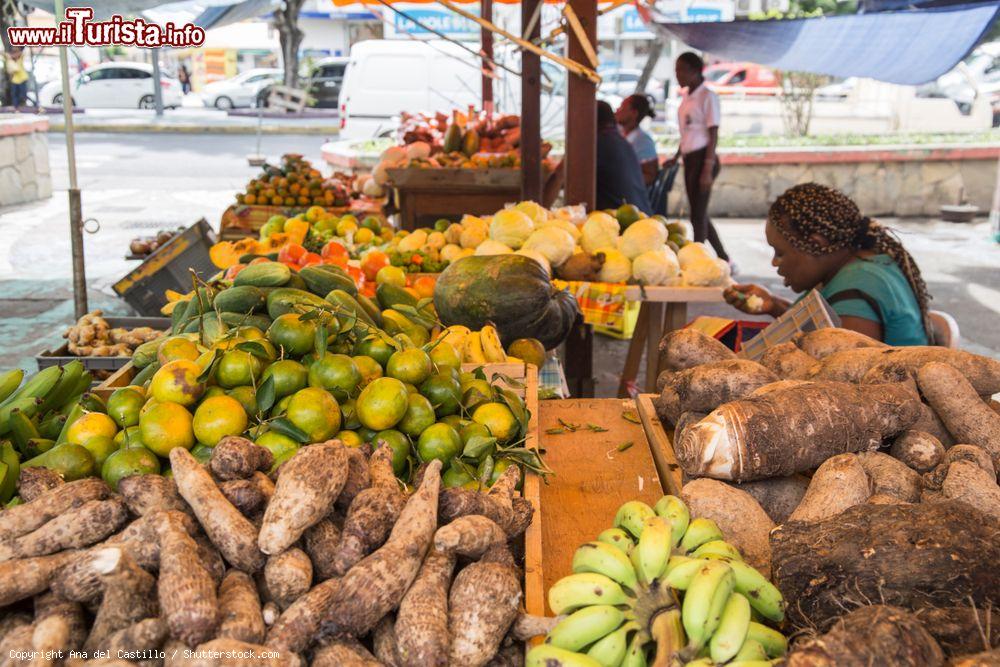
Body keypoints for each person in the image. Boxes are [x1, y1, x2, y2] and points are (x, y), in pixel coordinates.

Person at [724, 183, 931, 346]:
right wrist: (774, 305)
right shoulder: (860, 264)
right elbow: (823, 323)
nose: (774, 262)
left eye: (780, 252)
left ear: (816, 244)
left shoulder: (856, 293)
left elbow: (842, 385)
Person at [664, 51, 728, 261]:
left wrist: (707, 168)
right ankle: (723, 258)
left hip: (704, 159)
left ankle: (697, 258)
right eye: (676, 71)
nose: (678, 75)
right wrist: (676, 155)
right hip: (690, 157)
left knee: (697, 215)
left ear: (695, 71)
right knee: (699, 212)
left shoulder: (707, 96)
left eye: (681, 70)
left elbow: (712, 131)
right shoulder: (688, 96)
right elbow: (688, 132)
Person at [595, 100, 652, 213]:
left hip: (629, 220)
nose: (617, 111)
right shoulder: (619, 140)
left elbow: (651, 173)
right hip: (640, 213)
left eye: (621, 108)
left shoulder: (599, 143)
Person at [616, 94, 658, 185]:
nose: (617, 110)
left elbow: (649, 176)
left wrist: (622, 183)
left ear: (634, 113)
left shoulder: (643, 141)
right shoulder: (621, 134)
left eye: (622, 107)